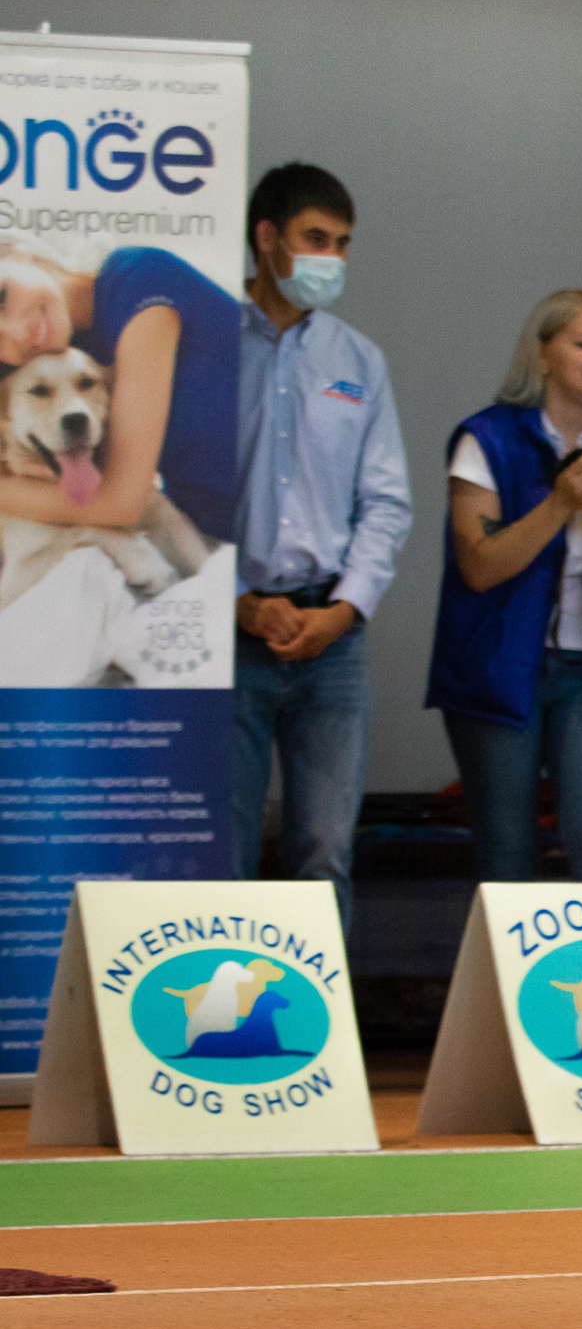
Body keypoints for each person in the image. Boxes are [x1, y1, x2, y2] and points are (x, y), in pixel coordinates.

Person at [427, 289, 582, 882]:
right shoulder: (486, 439)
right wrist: (559, 505)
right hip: (497, 666)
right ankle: (504, 979)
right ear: (542, 355)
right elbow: (479, 567)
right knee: (506, 849)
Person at [229, 163, 412, 933]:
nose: (330, 259)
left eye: (341, 244)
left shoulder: (358, 360)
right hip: (226, 635)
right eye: (314, 239)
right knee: (222, 848)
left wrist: (344, 609)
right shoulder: (205, 344)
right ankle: (218, 1039)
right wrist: (234, 602)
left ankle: (312, 1039)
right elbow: (167, 494)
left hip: (331, 638)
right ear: (267, 238)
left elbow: (386, 502)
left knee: (324, 848)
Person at [0, 236, 238, 549]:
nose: (17, 332)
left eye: (2, 297)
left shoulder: (140, 280)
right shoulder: (75, 365)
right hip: (221, 538)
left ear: (21, 254)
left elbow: (121, 503)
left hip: (289, 520)